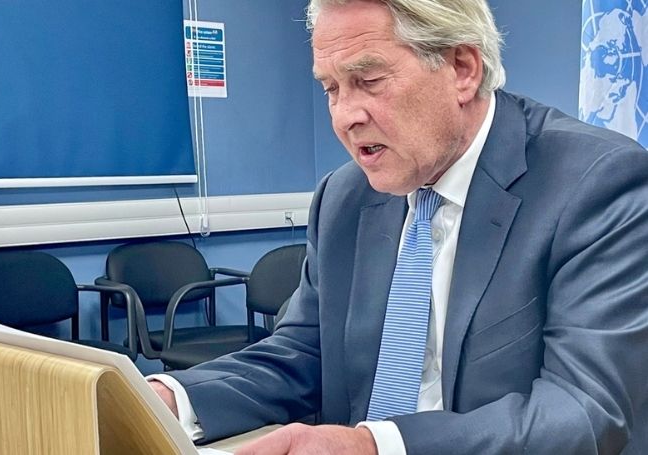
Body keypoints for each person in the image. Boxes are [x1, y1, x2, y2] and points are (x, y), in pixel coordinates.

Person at [149, 0, 648, 453]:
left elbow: (583, 410)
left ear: (462, 69)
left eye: (369, 80)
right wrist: (167, 399)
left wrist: (375, 446)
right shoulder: (343, 197)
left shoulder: (594, 183)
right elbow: (303, 352)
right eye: (331, 88)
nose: (345, 116)